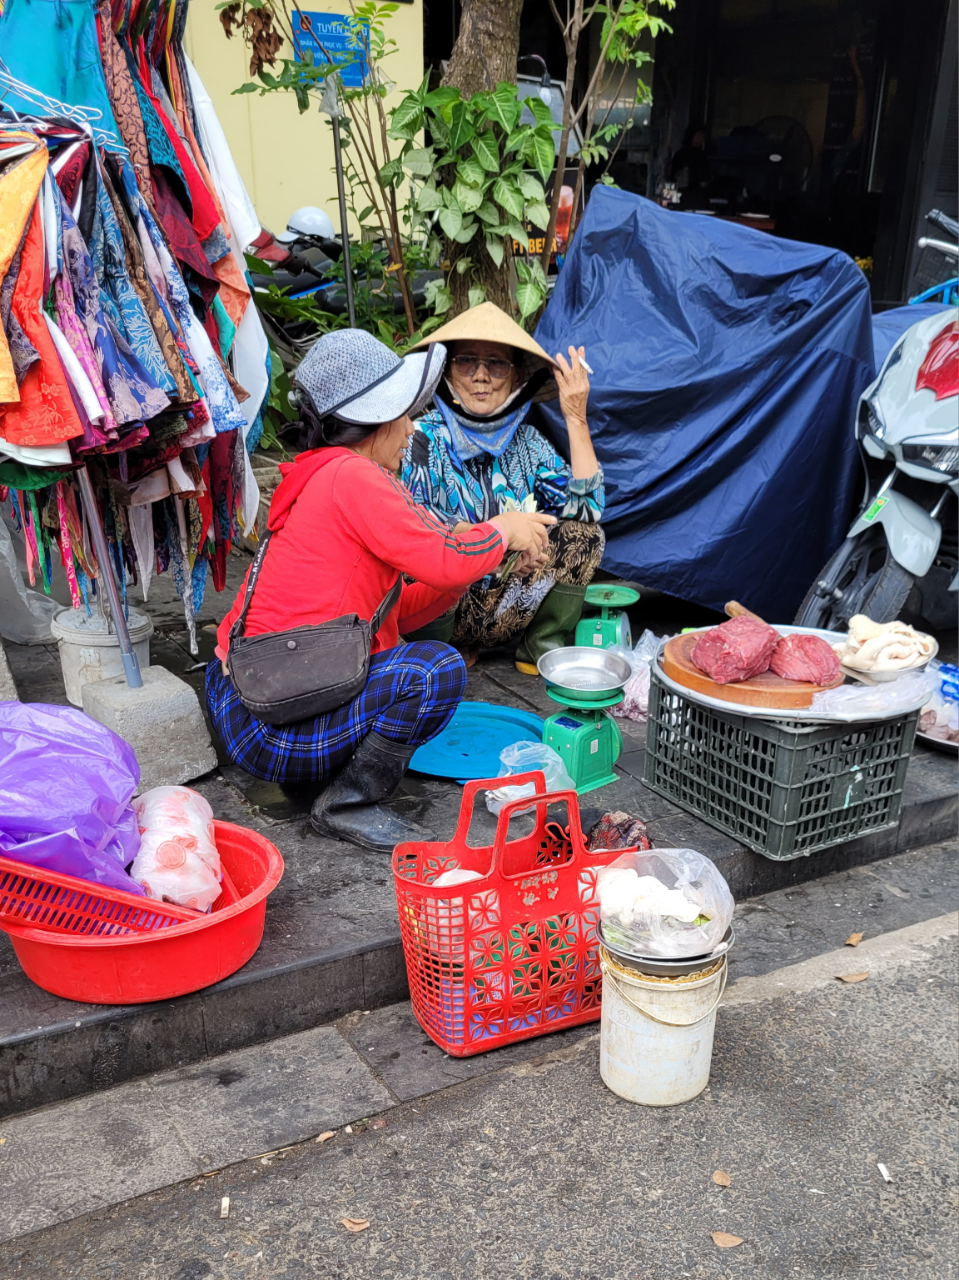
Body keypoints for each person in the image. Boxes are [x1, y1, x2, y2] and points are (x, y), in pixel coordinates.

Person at [206, 329, 554, 852]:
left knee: (418, 657)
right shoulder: (353, 476)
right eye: (404, 415)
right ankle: (347, 802)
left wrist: (465, 569)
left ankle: (323, 779)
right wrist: (502, 531)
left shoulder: (324, 474)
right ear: (378, 420)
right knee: (436, 669)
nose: (412, 427)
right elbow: (443, 560)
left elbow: (404, 606)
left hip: (251, 698)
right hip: (265, 724)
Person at [401, 303, 605, 674]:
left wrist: (575, 416)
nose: (481, 377)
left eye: (496, 365)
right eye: (466, 362)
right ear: (446, 371)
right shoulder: (419, 438)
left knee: (585, 535)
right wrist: (499, 544)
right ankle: (434, 655)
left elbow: (588, 510)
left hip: (510, 605)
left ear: (516, 378)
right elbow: (409, 528)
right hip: (440, 612)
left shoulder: (529, 444)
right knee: (418, 554)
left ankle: (539, 650)